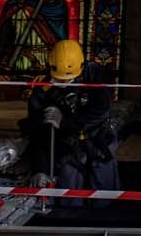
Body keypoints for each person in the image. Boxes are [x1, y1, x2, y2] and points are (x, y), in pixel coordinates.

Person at [23, 39, 119, 208]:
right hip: (66, 147)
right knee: (69, 193)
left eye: (69, 79)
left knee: (104, 189)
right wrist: (41, 169)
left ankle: (106, 223)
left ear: (81, 66)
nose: (64, 83)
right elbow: (37, 132)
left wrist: (64, 121)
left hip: (98, 140)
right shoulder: (42, 90)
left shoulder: (95, 76)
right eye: (59, 80)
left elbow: (99, 111)